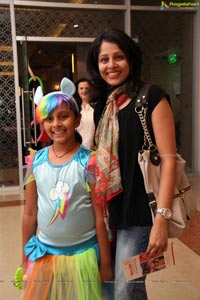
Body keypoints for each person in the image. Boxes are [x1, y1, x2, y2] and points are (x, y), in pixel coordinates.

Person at [87, 28, 177, 300]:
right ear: (97, 64)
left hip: (141, 214)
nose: (111, 65)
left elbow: (169, 160)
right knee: (111, 286)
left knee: (127, 288)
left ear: (131, 60)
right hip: (110, 212)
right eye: (104, 59)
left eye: (119, 57)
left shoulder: (152, 98)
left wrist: (162, 219)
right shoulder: (104, 105)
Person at [19, 77, 112, 300]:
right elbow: (30, 213)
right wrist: (24, 260)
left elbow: (100, 217)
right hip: (44, 255)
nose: (56, 124)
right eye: (49, 119)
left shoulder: (88, 162)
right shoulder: (35, 162)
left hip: (84, 256)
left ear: (77, 119)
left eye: (64, 116)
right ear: (42, 123)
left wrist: (106, 263)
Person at [74, 78, 95, 150]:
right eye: (81, 88)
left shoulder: (96, 108)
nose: (84, 91)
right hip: (76, 148)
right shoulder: (74, 108)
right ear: (77, 90)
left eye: (86, 88)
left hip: (93, 149)